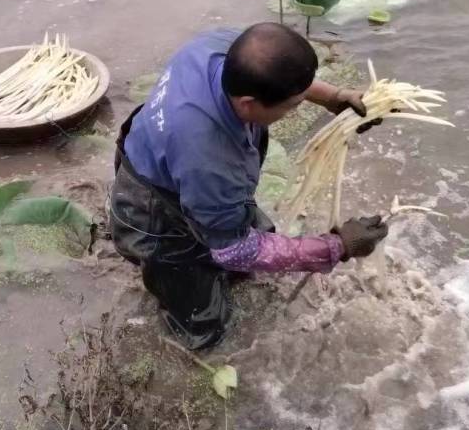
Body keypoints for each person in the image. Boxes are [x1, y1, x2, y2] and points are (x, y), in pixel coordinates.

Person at [109, 23, 388, 348]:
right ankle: (191, 339)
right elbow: (235, 250)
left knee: (242, 250)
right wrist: (338, 247)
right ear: (247, 104)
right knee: (202, 320)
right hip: (155, 207)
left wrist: (334, 98)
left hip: (156, 151)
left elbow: (285, 76)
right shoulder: (212, 160)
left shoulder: (225, 48)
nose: (295, 108)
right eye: (292, 106)